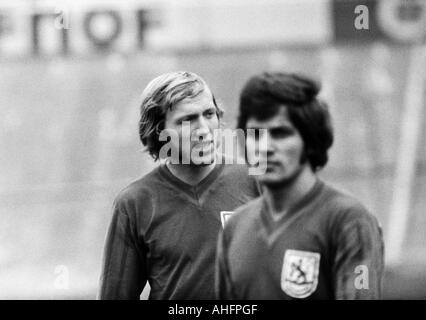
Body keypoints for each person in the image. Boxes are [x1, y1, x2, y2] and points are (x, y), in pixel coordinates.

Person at [215, 72, 384, 300]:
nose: (264, 148)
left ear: (310, 141)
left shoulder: (349, 221)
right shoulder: (235, 228)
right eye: (255, 135)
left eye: (280, 133)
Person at [98, 71, 260, 299]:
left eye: (209, 114)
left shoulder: (258, 183)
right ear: (160, 131)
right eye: (187, 120)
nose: (203, 129)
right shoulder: (135, 204)